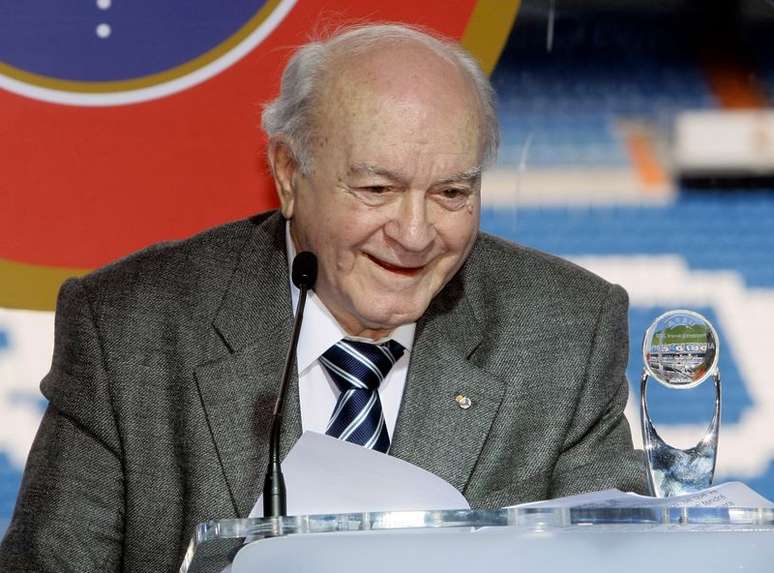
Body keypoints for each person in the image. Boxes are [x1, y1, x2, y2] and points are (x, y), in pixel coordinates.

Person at [0, 23, 648, 572]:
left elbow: (620, 559)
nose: (416, 234)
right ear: (288, 174)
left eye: (452, 193)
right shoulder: (129, 330)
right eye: (376, 190)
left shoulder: (567, 331)